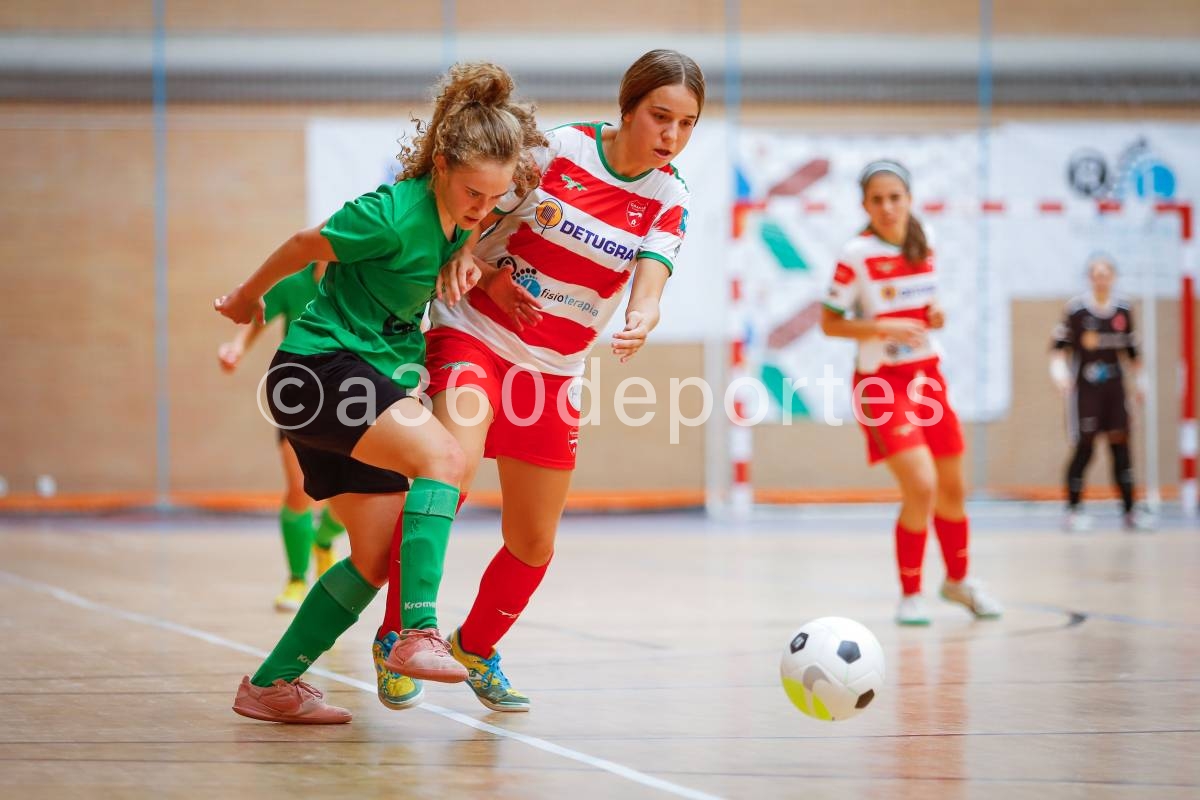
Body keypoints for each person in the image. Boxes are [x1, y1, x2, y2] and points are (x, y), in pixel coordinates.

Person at [214, 62, 545, 724]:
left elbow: (458, 241)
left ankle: (271, 685)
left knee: (371, 561)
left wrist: (484, 273)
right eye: (474, 194)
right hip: (318, 372)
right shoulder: (390, 215)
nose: (482, 209)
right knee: (445, 459)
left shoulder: (461, 218)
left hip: (359, 381)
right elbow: (303, 244)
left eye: (493, 201)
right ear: (442, 164)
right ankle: (417, 632)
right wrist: (247, 298)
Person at [372, 49, 702, 712]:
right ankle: (401, 636)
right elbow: (471, 223)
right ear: (627, 107)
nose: (670, 135)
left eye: (687, 124)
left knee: (532, 540)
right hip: (475, 334)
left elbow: (652, 279)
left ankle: (475, 646)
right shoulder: (559, 152)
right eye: (659, 116)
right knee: (448, 468)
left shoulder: (670, 195)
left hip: (554, 369)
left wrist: (641, 316)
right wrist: (479, 268)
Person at [820, 159, 1002, 626]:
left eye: (894, 197)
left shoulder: (928, 242)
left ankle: (958, 582)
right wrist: (883, 327)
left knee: (953, 489)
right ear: (864, 205)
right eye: (877, 199)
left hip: (927, 376)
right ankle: (911, 594)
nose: (886, 206)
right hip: (881, 383)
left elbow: (924, 307)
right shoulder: (855, 253)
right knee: (921, 486)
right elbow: (830, 322)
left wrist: (934, 316)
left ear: (909, 200)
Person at [218, 260, 347, 611]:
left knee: (351, 494)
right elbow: (260, 314)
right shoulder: (292, 283)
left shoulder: (356, 281)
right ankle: (295, 579)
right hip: (300, 396)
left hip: (351, 397)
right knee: (299, 489)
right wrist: (237, 348)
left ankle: (323, 542)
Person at [1050, 254, 1154, 532]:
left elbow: (1132, 352)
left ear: (1113, 277)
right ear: (1090, 278)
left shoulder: (1123, 310)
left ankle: (1130, 512)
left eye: (1105, 273)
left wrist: (1141, 383)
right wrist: (1060, 376)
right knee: (1085, 447)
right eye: (1096, 274)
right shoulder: (1077, 311)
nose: (1101, 278)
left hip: (1115, 389)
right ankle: (1073, 511)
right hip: (1086, 390)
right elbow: (1059, 349)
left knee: (1120, 446)